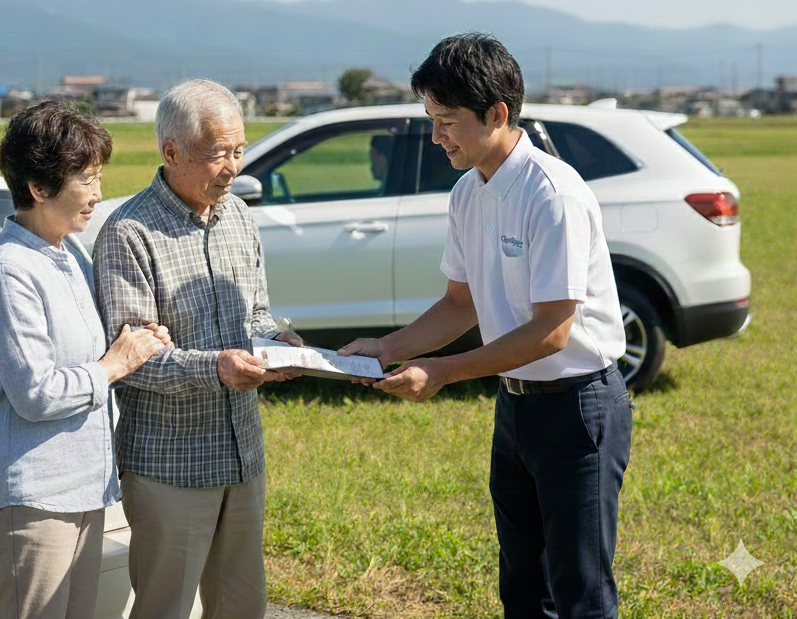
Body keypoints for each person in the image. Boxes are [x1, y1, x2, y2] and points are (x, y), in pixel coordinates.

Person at [340, 33, 633, 619]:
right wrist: (386, 348)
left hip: (578, 407)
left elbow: (552, 331)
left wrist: (443, 372)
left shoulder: (552, 195)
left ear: (497, 113)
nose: (435, 136)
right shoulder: (467, 194)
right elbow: (459, 302)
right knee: (522, 585)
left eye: (446, 120)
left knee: (580, 590)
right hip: (516, 405)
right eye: (431, 119)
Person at [93, 78, 301, 619]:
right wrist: (218, 368)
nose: (233, 167)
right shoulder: (129, 232)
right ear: (171, 152)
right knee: (164, 607)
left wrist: (279, 341)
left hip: (241, 452)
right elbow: (132, 362)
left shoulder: (238, 216)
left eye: (239, 150)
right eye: (218, 155)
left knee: (242, 606)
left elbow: (254, 311)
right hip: (171, 465)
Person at [0, 99, 173, 619]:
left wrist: (141, 341)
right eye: (85, 179)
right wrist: (115, 365)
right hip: (34, 498)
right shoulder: (7, 270)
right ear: (38, 188)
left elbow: (92, 351)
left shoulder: (68, 254)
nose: (97, 195)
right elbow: (36, 394)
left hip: (82, 486)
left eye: (99, 177)